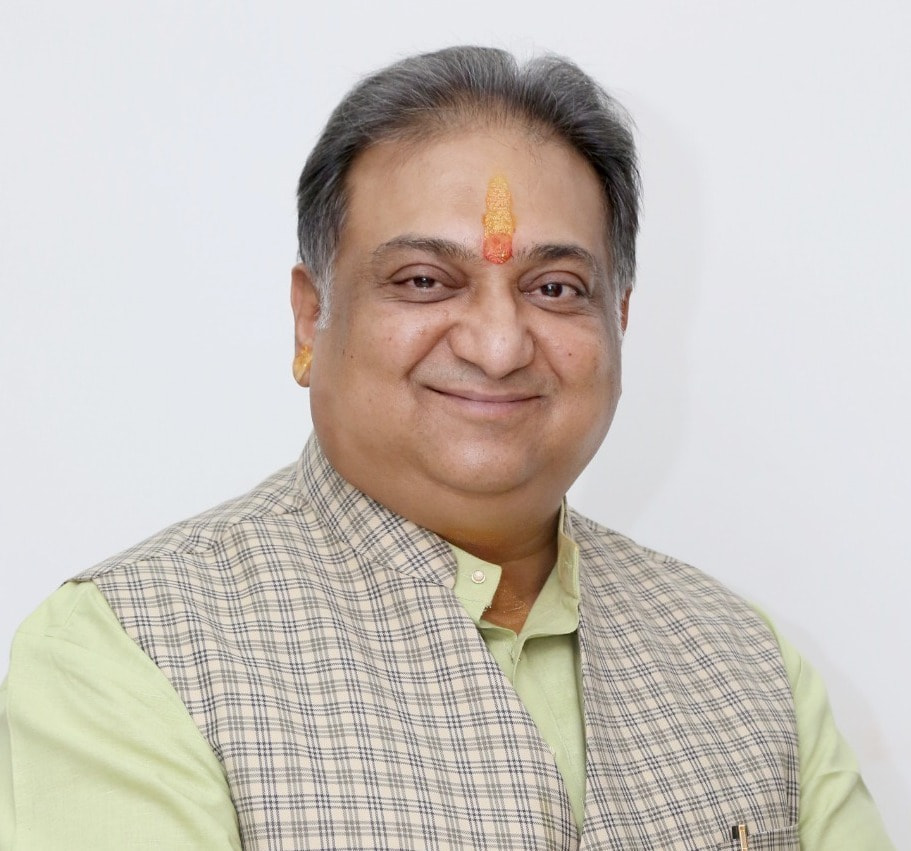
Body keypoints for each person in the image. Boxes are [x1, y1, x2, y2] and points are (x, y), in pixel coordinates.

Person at [0, 46, 894, 850]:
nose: (497, 345)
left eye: (555, 287)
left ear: (618, 320)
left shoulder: (743, 662)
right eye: (425, 280)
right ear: (311, 319)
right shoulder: (132, 650)